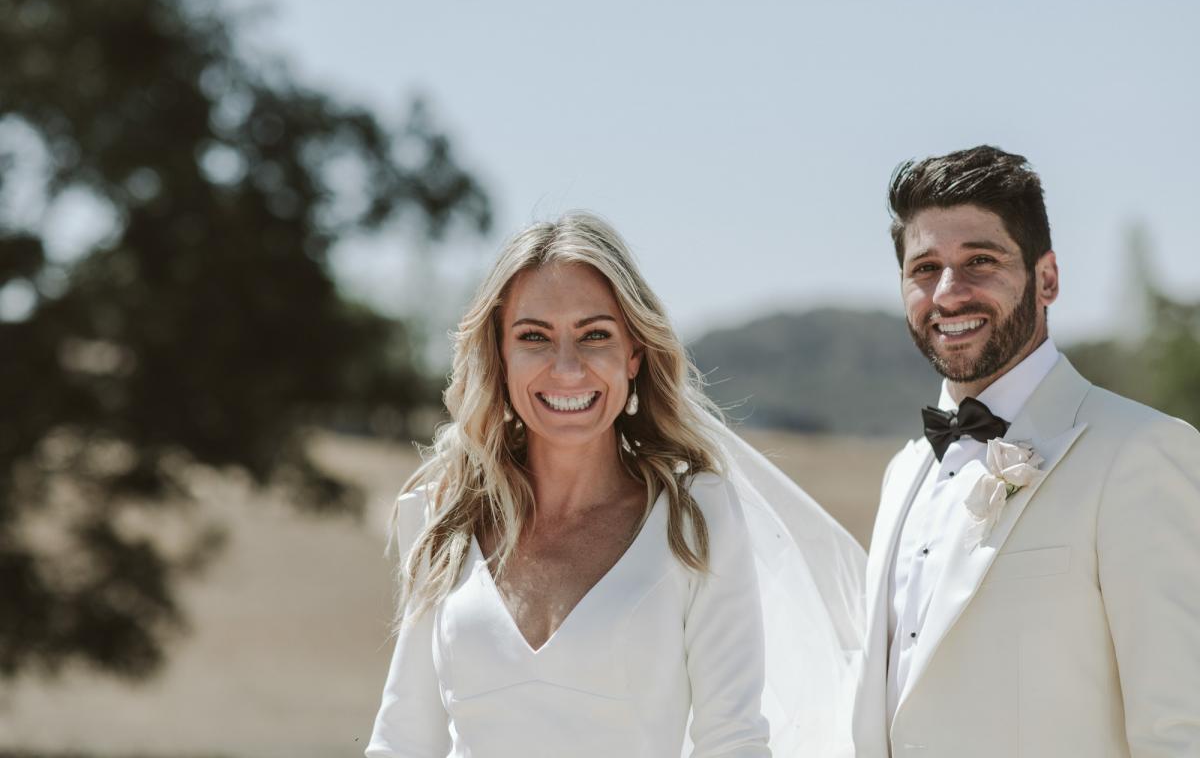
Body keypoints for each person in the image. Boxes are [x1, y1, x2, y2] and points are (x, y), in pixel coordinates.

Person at [366, 212, 864, 758]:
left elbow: (733, 741)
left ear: (634, 354)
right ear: (499, 355)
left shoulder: (695, 517)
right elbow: (401, 741)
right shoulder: (444, 518)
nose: (567, 367)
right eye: (534, 336)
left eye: (594, 335)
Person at [852, 145, 1200, 757]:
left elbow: (1181, 725)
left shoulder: (1140, 453)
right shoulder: (902, 472)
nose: (948, 294)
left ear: (1047, 278)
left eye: (979, 261)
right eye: (924, 268)